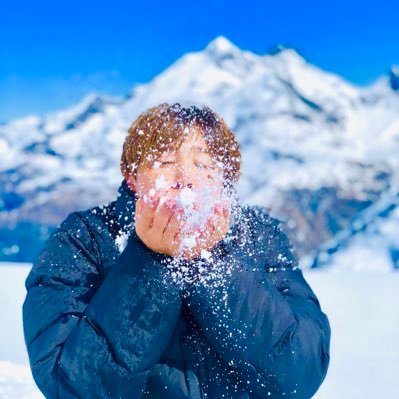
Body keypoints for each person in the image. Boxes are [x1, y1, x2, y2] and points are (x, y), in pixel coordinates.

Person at [22, 103, 331, 399]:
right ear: (133, 177)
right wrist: (150, 261)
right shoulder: (84, 238)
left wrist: (217, 262)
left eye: (204, 164)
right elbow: (70, 387)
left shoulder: (257, 234)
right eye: (166, 162)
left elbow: (298, 376)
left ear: (225, 179)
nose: (186, 179)